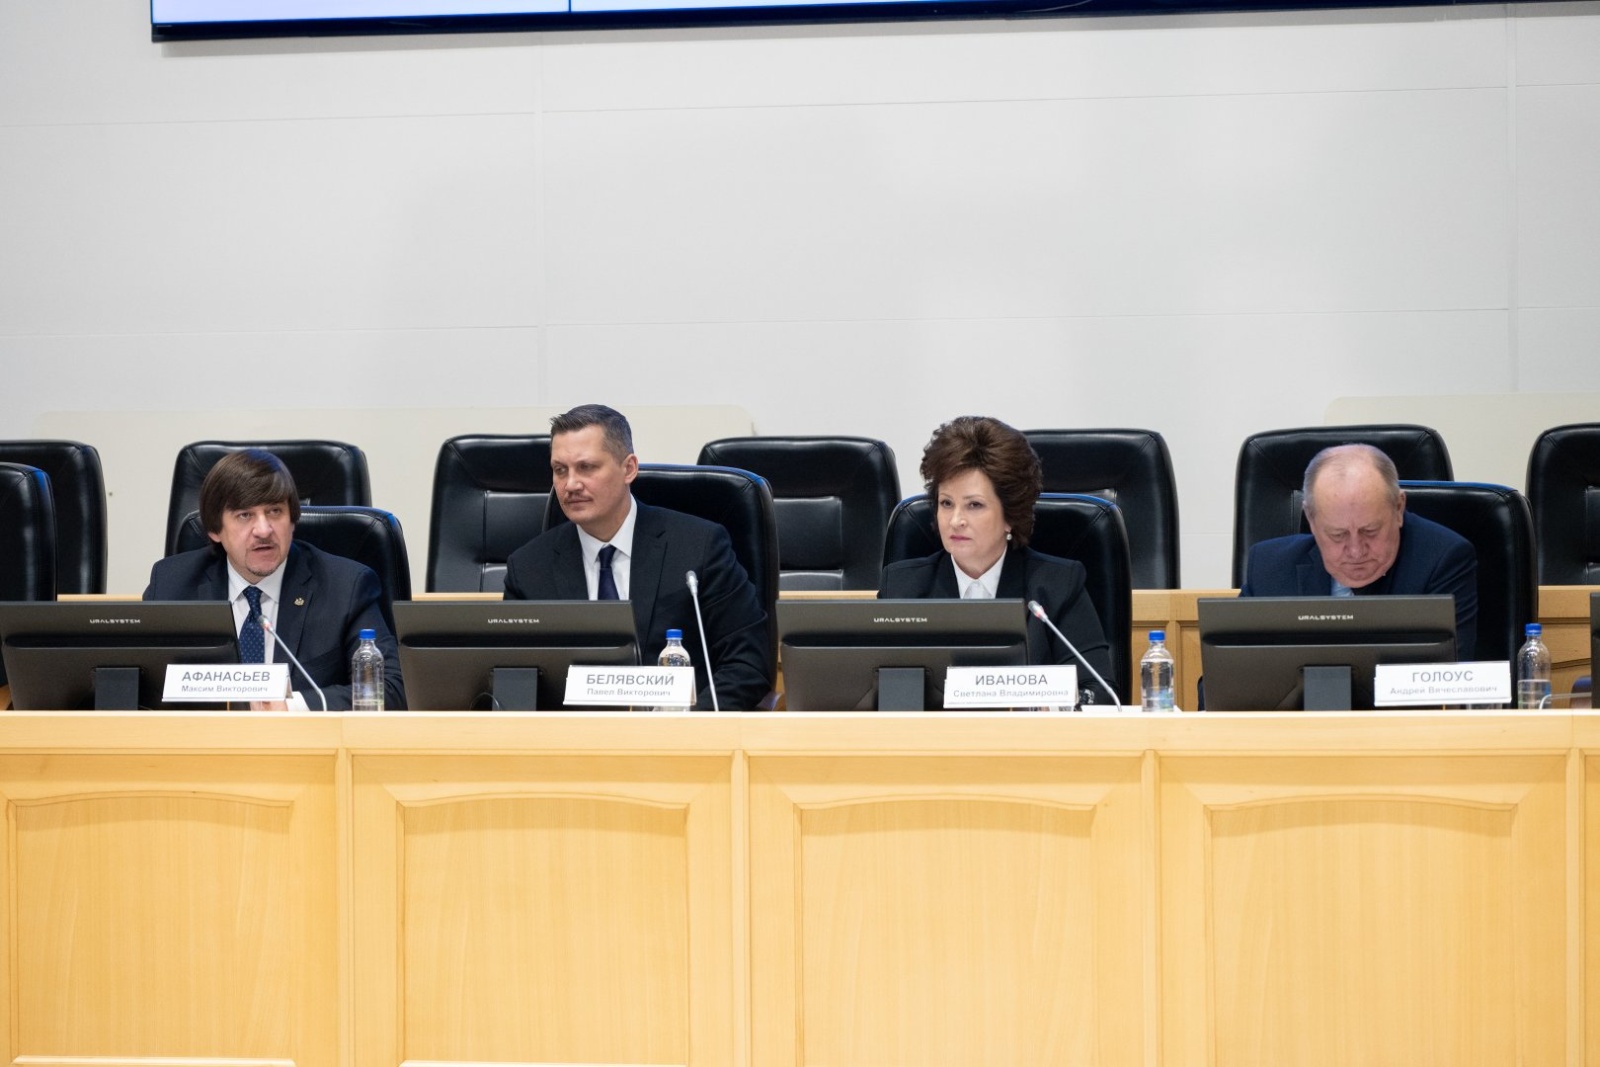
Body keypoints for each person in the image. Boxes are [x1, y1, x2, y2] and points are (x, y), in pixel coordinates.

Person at [502, 404, 772, 710]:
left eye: (587, 467)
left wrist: (687, 726)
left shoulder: (699, 547)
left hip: (681, 731)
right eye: (560, 470)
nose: (571, 484)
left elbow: (747, 664)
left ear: (629, 468)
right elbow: (515, 682)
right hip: (573, 737)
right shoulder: (529, 568)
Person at [878, 415, 1117, 705]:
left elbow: (1099, 692)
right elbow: (884, 697)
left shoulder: (1057, 586)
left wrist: (1051, 706)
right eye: (946, 503)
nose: (955, 520)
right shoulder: (902, 588)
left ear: (1010, 516)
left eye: (974, 505)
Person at [143, 449, 406, 710]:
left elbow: (391, 690)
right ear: (214, 530)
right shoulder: (171, 585)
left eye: (275, 511)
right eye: (245, 515)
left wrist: (293, 707)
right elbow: (142, 691)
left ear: (292, 520)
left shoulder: (346, 587)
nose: (263, 530)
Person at [1240, 442, 1478, 658]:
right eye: (1338, 534)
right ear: (1310, 518)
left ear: (1398, 508)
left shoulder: (1443, 561)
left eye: (1370, 531)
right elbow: (1231, 676)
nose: (1356, 551)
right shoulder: (1268, 568)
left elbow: (1445, 678)